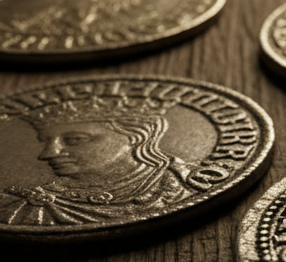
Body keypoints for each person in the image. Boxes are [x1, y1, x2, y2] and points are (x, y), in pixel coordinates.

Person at [0, 95, 195, 225]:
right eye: (46, 142)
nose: (47, 154)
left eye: (74, 139)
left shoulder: (185, 183)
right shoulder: (27, 204)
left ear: (137, 137)